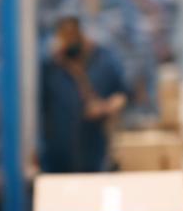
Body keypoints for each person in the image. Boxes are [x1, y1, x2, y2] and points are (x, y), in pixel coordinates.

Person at [39, 15, 127, 173]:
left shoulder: (104, 61)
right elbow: (40, 109)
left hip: (95, 154)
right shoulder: (51, 67)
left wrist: (104, 108)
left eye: (72, 35)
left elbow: (122, 95)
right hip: (57, 160)